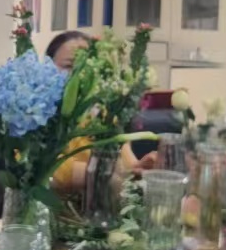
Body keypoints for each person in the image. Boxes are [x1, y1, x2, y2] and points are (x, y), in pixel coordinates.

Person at [44, 31, 155, 192]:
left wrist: (142, 168)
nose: (80, 74)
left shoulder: (105, 116)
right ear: (46, 67)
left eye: (88, 67)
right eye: (68, 66)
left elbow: (127, 166)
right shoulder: (37, 117)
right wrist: (106, 176)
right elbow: (42, 169)